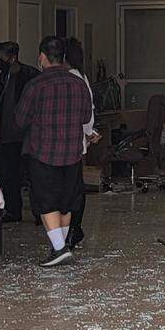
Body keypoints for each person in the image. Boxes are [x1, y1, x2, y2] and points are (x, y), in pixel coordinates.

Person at [15, 35, 92, 268]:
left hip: (43, 152)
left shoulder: (36, 85)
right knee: (66, 202)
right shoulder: (78, 83)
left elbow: (20, 120)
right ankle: (60, 246)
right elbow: (86, 117)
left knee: (46, 201)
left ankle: (59, 248)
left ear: (42, 57)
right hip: (72, 153)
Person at [0, 41, 38, 224]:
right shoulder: (1, 78)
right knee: (9, 176)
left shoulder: (30, 76)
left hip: (26, 136)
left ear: (12, 57)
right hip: (6, 136)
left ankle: (39, 213)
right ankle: (12, 211)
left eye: (1, 57)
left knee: (32, 176)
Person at [64, 36, 97, 250]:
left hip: (66, 141)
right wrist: (89, 132)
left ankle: (72, 229)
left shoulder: (68, 78)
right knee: (76, 187)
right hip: (78, 141)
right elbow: (89, 110)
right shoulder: (82, 78)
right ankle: (75, 227)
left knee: (69, 188)